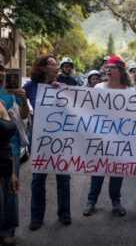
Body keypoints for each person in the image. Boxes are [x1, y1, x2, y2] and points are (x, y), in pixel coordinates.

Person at [23, 55, 71, 231]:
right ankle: (36, 216)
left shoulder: (63, 86)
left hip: (60, 138)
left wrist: (61, 92)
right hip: (40, 137)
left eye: (56, 65)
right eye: (52, 65)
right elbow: (15, 101)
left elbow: (73, 109)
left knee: (63, 176)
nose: (56, 67)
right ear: (42, 68)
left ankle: (64, 212)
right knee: (38, 178)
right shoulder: (30, 86)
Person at [82, 56, 131, 217]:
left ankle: (116, 202)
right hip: (100, 138)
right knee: (98, 170)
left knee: (117, 171)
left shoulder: (130, 92)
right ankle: (91, 201)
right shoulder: (98, 88)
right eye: (107, 67)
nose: (108, 70)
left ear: (121, 71)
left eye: (113, 67)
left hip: (121, 140)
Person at [0, 42, 28, 245]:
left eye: (1, 67)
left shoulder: (10, 88)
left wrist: (24, 100)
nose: (0, 72)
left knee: (11, 191)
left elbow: (24, 115)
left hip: (11, 150)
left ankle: (8, 229)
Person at [0, 98, 20, 245]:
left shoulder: (1, 101)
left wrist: (12, 173)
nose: (2, 73)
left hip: (5, 168)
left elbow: (7, 142)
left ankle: (6, 231)